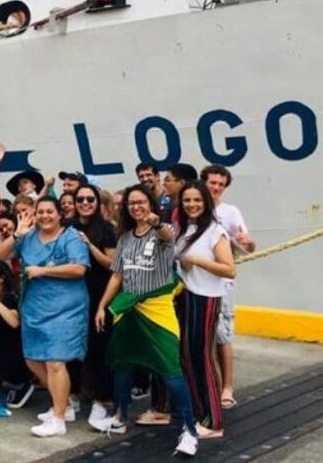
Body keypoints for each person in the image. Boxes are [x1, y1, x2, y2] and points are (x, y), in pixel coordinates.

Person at [92, 184, 199, 457]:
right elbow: (117, 275)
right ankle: (120, 417)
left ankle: (190, 430)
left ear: (150, 204)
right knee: (123, 365)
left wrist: (156, 222)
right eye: (131, 204)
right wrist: (102, 306)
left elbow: (167, 234)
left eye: (141, 202)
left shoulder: (163, 232)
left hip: (157, 310)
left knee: (170, 369)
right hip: (128, 309)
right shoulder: (126, 238)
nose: (136, 207)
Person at [0, 196, 90, 437]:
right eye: (41, 211)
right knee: (32, 359)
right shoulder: (28, 236)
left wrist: (43, 270)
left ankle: (58, 419)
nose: (45, 216)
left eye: (50, 211)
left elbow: (79, 268)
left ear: (60, 214)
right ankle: (64, 404)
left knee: (55, 361)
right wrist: (17, 233)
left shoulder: (70, 237)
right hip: (34, 307)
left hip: (65, 308)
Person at [176, 181, 236, 438]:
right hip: (187, 297)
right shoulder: (186, 229)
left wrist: (198, 261)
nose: (192, 205)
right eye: (187, 200)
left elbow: (229, 268)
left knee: (202, 358)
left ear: (207, 202)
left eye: (197, 200)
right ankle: (200, 412)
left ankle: (213, 421)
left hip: (206, 298)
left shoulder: (215, 231)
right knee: (187, 357)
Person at [200, 164, 254, 409]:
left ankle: (227, 387)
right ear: (203, 182)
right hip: (193, 281)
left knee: (223, 335)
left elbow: (248, 247)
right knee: (197, 335)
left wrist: (249, 242)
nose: (216, 188)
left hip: (221, 283)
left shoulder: (230, 212)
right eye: (212, 182)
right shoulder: (191, 207)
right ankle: (203, 385)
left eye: (221, 184)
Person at [68, 184, 118, 426]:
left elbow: (112, 265)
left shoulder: (106, 229)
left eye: (90, 199)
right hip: (73, 297)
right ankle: (72, 396)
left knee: (99, 349)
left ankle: (102, 400)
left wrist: (89, 246)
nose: (84, 203)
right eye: (80, 199)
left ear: (98, 203)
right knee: (72, 350)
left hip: (99, 296)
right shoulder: (68, 228)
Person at [0, 258, 33, 408]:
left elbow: (14, 322)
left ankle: (20, 383)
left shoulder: (10, 297)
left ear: (2, 278)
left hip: (15, 357)